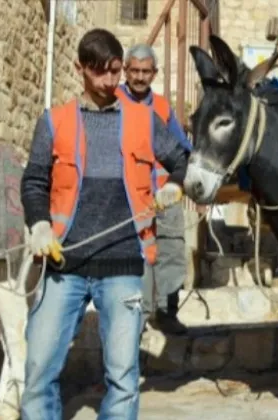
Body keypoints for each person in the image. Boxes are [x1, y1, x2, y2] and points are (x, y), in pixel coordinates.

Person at [20, 28, 189, 419]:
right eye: (100, 73)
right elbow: (34, 180)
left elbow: (181, 159)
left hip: (124, 265)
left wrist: (175, 185)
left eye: (115, 72)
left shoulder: (144, 121)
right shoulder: (54, 121)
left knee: (124, 379)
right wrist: (39, 224)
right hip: (64, 265)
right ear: (80, 68)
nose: (111, 81)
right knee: (38, 371)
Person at [117, 43, 192, 336]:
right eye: (134, 70)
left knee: (171, 250)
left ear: (154, 73)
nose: (139, 77)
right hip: (130, 196)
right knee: (138, 257)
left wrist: (178, 183)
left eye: (145, 71)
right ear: (125, 70)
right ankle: (141, 315)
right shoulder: (114, 102)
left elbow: (182, 150)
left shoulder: (162, 107)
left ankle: (166, 312)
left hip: (165, 194)